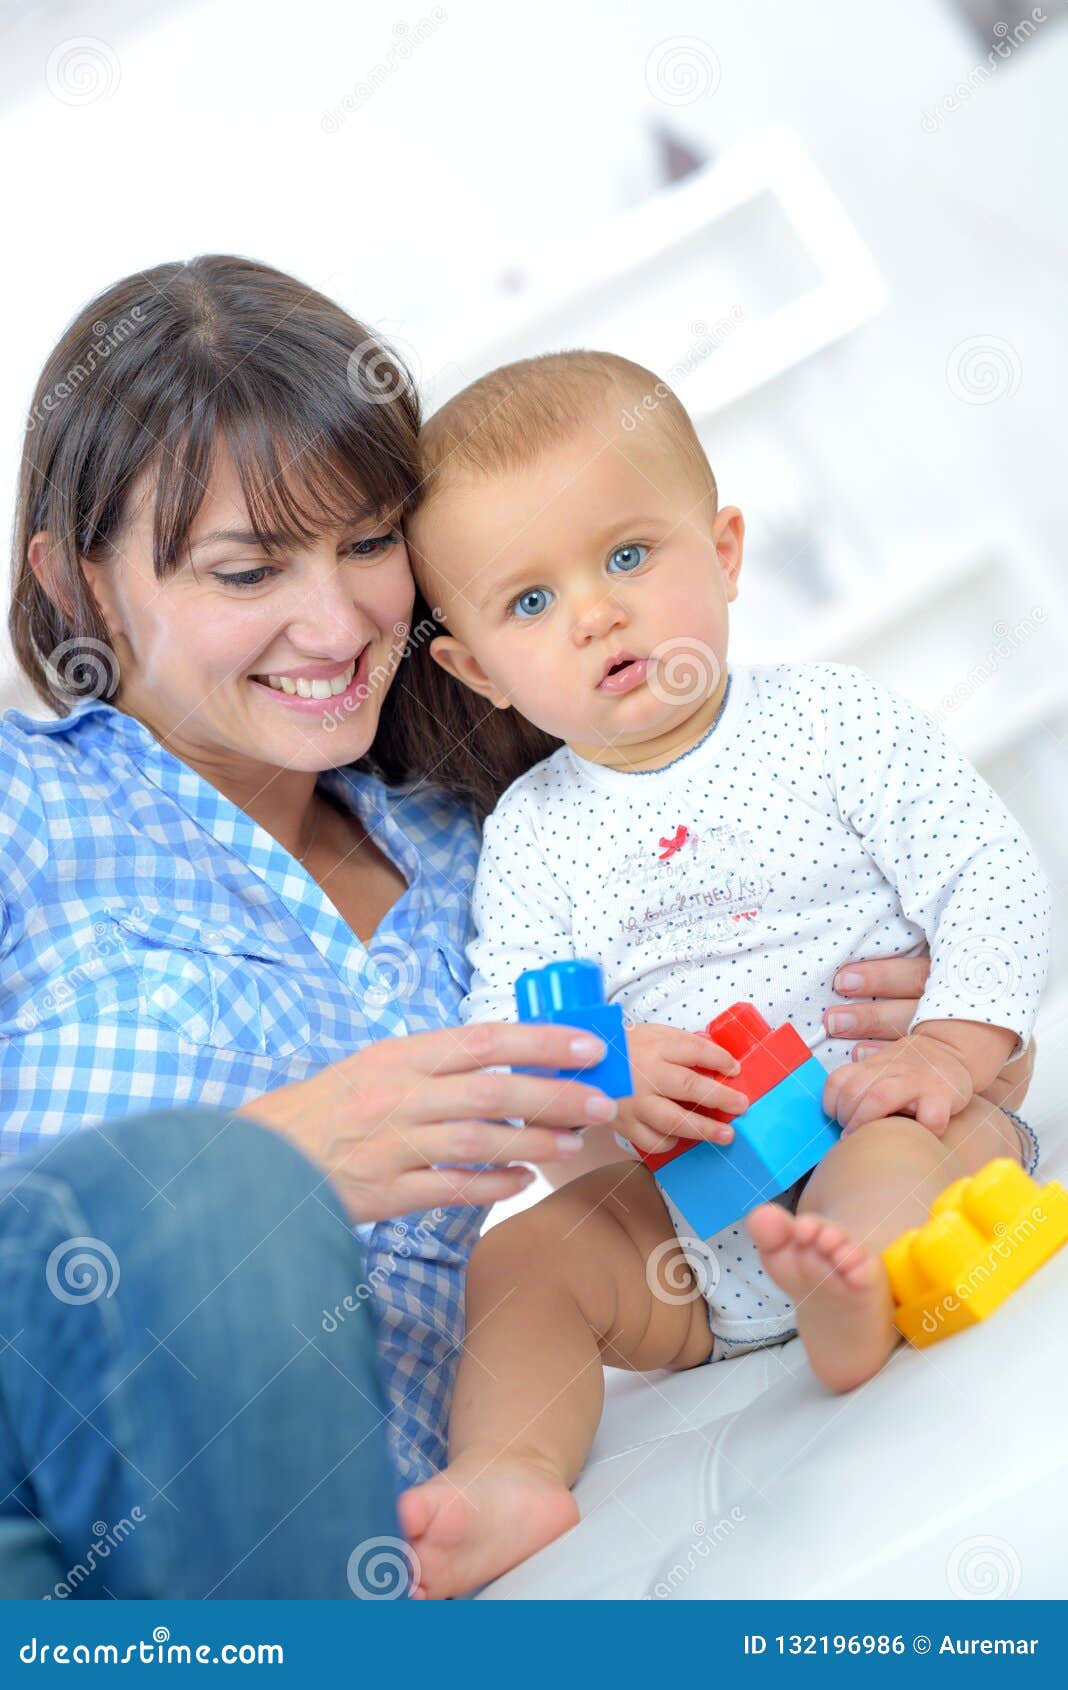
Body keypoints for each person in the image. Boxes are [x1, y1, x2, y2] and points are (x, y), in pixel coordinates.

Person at [0, 272, 1031, 1598]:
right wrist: (269, 1167)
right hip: (63, 1506)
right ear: (79, 584)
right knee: (224, 1198)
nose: (336, 627)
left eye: (369, 544)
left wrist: (943, 1031)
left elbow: (629, 1108)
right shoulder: (29, 806)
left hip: (360, 1560)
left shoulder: (489, 839)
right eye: (249, 569)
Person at [394, 349, 1052, 1598]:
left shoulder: (833, 724)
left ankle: (858, 1296)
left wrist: (945, 1049)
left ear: (727, 550)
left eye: (628, 557)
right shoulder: (534, 832)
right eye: (528, 605)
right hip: (687, 1247)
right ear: (476, 667)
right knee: (521, 1259)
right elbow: (505, 1023)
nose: (593, 613)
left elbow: (991, 877)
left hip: (886, 1121)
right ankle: (509, 1471)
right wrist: (601, 1063)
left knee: (896, 1147)